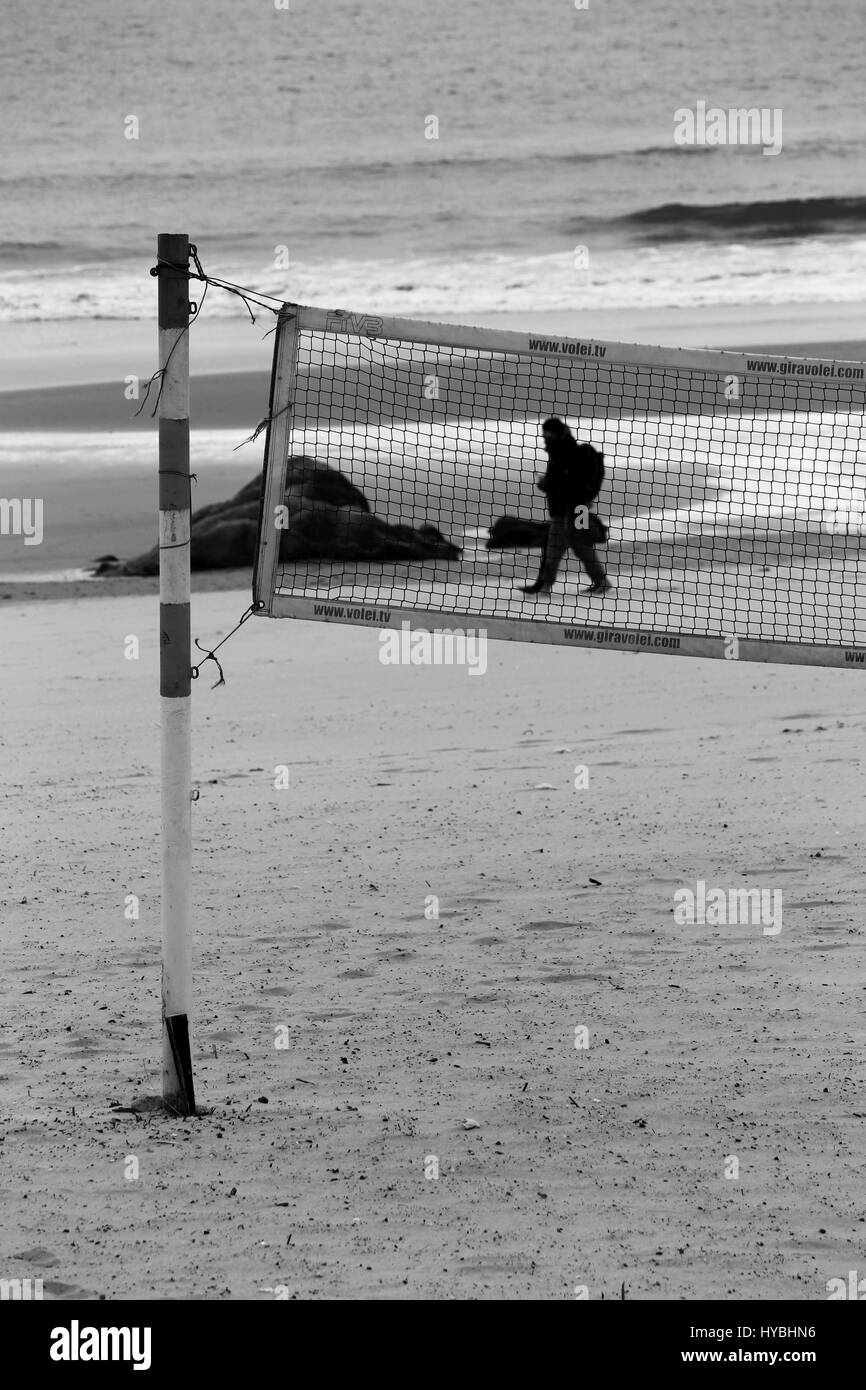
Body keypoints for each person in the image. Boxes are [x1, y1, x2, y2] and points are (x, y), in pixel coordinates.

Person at [521, 416, 611, 595]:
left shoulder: (564, 454)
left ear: (554, 433)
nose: (545, 436)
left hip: (568, 510)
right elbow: (564, 483)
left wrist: (546, 485)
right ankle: (601, 581)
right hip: (580, 508)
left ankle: (545, 586)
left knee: (557, 547)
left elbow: (563, 484)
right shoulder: (564, 452)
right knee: (580, 545)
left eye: (547, 433)